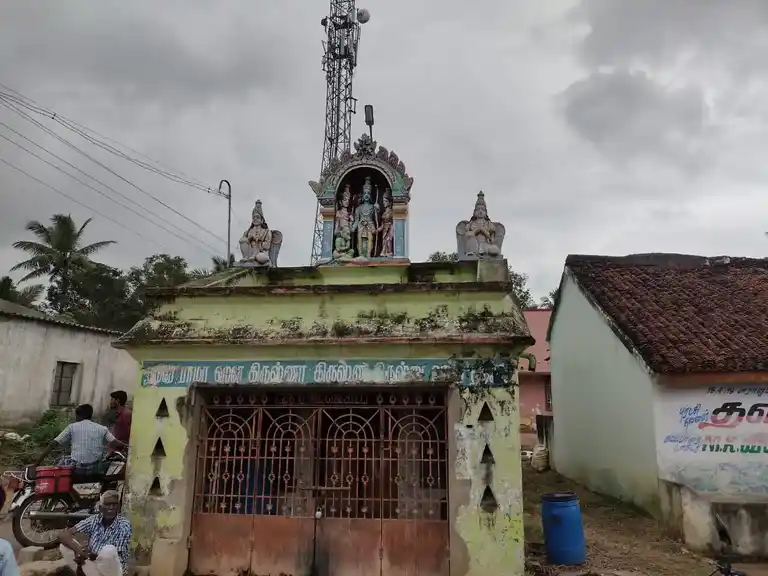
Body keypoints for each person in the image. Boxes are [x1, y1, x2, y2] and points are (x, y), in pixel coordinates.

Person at [34, 404, 125, 474]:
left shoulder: (72, 427)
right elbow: (116, 443)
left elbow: (53, 444)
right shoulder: (102, 428)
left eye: (76, 416)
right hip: (95, 469)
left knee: (60, 460)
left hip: (77, 470)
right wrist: (127, 447)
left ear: (79, 416)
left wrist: (37, 462)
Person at [58, 490, 131, 576]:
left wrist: (86, 554)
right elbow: (63, 535)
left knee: (109, 550)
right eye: (107, 504)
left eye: (114, 504)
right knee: (64, 546)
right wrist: (79, 551)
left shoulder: (124, 525)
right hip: (94, 565)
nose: (111, 507)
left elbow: (114, 557)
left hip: (113, 570)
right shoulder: (94, 519)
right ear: (100, 507)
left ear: (118, 507)